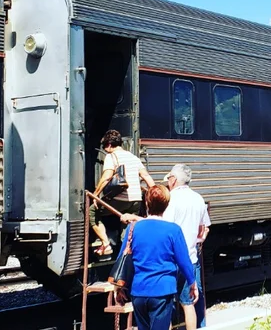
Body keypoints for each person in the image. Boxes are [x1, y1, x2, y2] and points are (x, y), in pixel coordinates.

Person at [118, 185, 199, 330]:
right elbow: (184, 261)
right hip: (162, 292)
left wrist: (119, 288)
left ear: (147, 203)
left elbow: (122, 260)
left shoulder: (133, 228)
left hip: (138, 292)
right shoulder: (173, 230)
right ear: (166, 205)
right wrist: (192, 282)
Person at [90, 129, 156, 255]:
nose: (104, 149)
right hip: (136, 199)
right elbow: (146, 176)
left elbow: (107, 177)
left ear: (109, 145)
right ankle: (126, 253)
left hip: (120, 199)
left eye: (105, 146)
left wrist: (95, 194)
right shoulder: (134, 157)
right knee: (128, 225)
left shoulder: (112, 156)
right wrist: (155, 194)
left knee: (92, 211)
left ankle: (106, 244)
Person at [163, 164, 211, 330]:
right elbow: (205, 228)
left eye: (169, 179)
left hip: (170, 260)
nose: (168, 182)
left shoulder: (170, 199)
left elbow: (165, 228)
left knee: (166, 305)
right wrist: (197, 240)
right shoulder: (198, 198)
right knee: (188, 303)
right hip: (190, 259)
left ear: (174, 180)